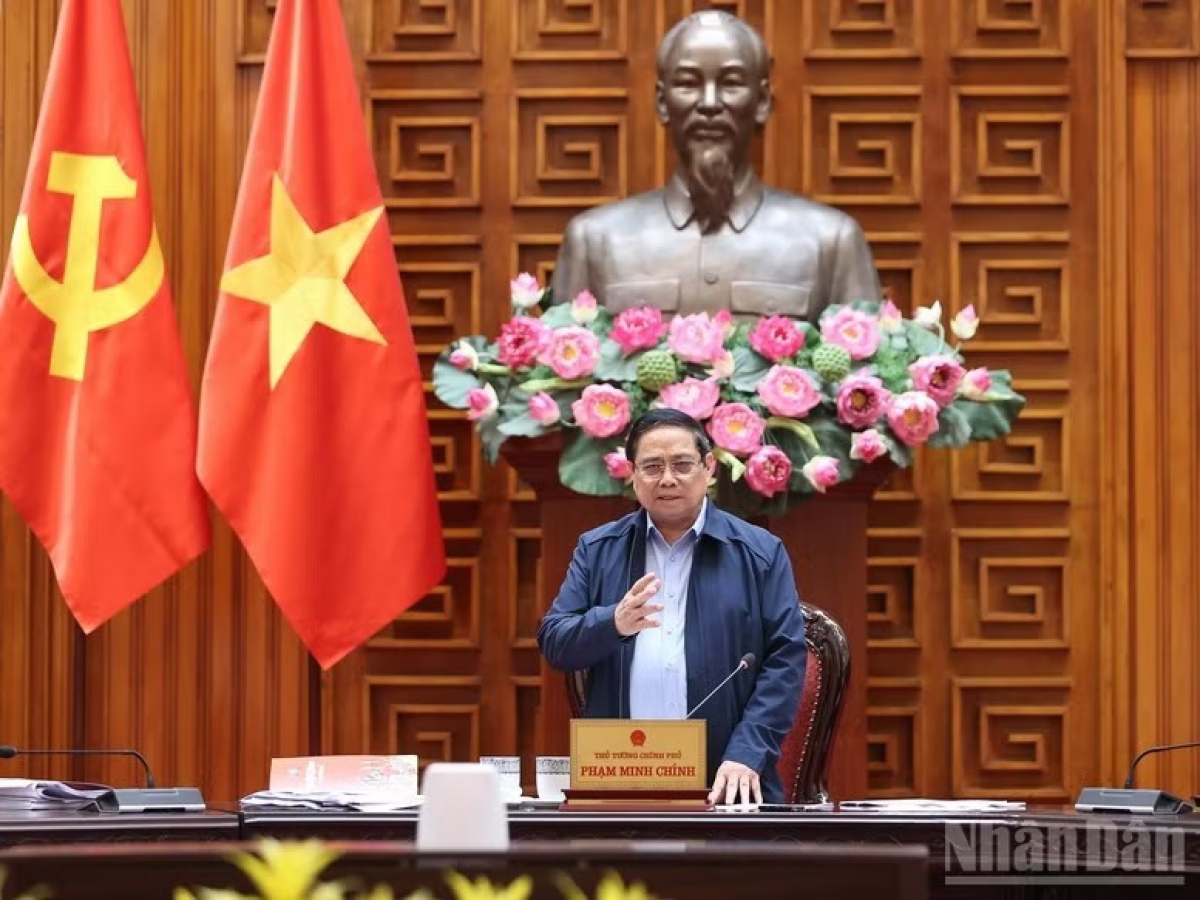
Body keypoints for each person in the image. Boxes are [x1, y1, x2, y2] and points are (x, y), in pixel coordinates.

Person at [536, 409, 807, 805]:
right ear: (633, 474)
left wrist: (746, 753)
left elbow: (785, 661)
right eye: (652, 466)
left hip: (725, 780)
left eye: (682, 464)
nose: (667, 478)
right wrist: (612, 622)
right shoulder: (597, 550)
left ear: (708, 466)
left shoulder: (759, 552)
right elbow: (555, 642)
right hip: (619, 777)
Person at [550, 10, 881, 323]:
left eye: (731, 83)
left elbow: (866, 381)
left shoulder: (831, 241)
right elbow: (554, 379)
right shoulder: (594, 240)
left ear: (762, 102)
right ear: (663, 103)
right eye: (688, 83)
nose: (709, 103)